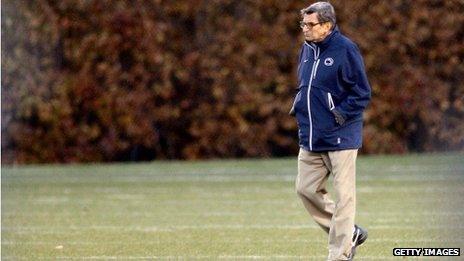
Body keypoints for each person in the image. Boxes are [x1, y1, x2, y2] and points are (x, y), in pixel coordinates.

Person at [289, 2, 371, 260]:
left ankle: (340, 254)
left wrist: (340, 114)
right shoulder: (306, 49)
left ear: (327, 25)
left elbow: (362, 93)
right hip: (311, 137)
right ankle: (350, 232)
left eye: (310, 24)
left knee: (345, 198)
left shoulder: (345, 49)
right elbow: (307, 88)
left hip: (341, 136)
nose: (305, 28)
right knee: (305, 189)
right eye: (303, 23)